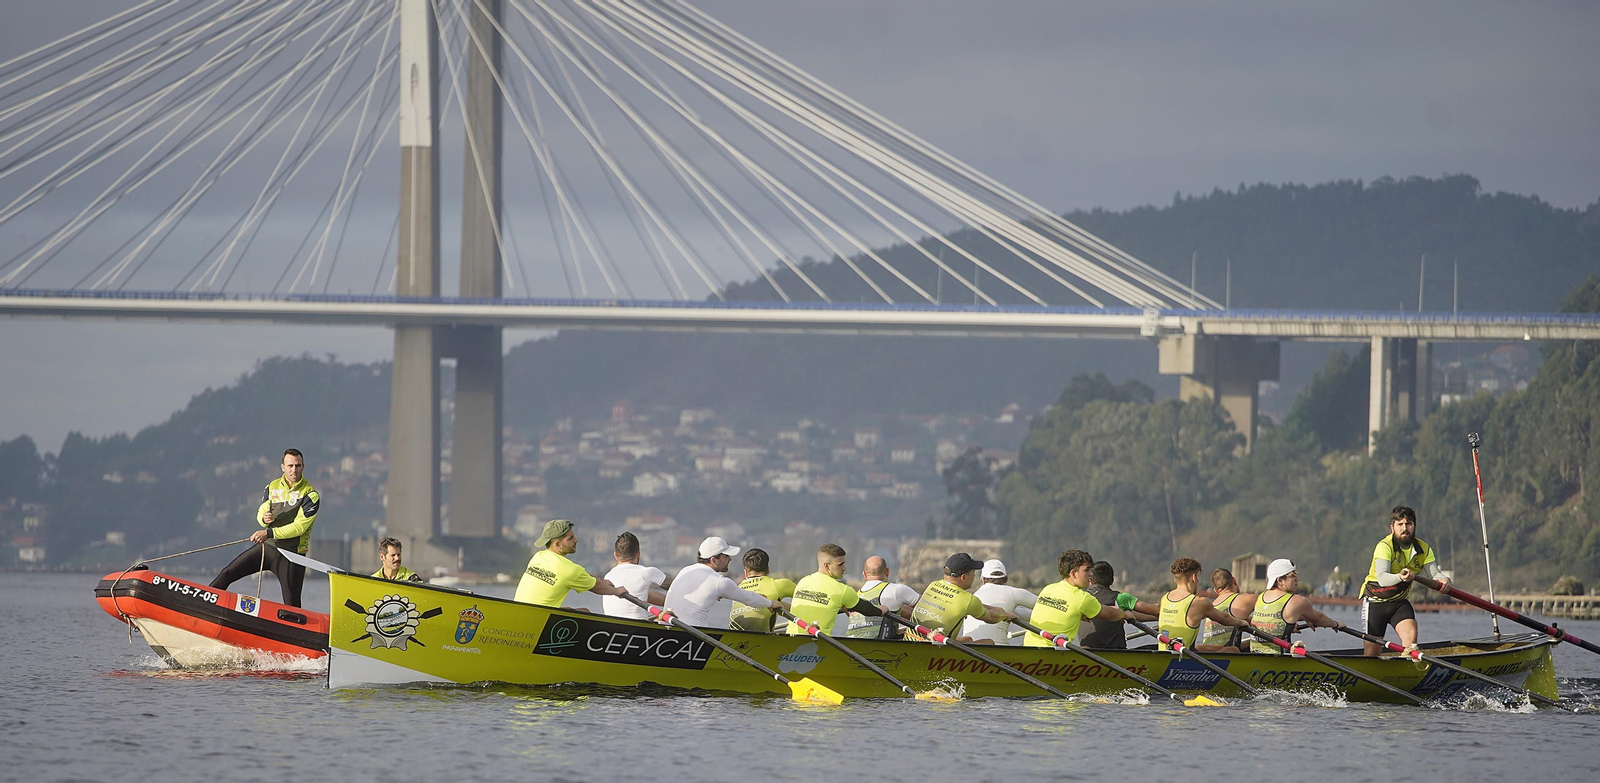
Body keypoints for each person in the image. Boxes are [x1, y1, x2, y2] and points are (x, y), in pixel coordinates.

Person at [210, 449, 319, 607]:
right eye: (290, 466)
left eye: (297, 465)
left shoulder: (310, 495)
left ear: (303, 467)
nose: (293, 470)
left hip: (291, 555)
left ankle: (295, 630)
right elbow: (261, 510)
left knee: (292, 603)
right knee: (227, 573)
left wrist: (267, 532)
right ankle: (204, 601)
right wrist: (264, 518)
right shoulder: (272, 487)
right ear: (282, 467)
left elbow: (299, 528)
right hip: (267, 548)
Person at [1359, 505, 1451, 655]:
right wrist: (1400, 577)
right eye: (1400, 524)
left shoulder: (1424, 549)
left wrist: (1445, 580)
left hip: (1399, 603)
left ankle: (1407, 671)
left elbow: (1435, 575)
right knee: (1371, 654)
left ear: (1414, 526)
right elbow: (1382, 578)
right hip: (1375, 602)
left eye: (1408, 524)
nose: (1404, 528)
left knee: (1411, 642)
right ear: (1392, 527)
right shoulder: (1384, 546)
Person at [1024, 550, 1142, 648]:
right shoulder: (1082, 598)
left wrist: (1079, 615)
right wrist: (1124, 614)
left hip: (1029, 647)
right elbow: (1110, 614)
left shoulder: (1048, 589)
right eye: (1087, 570)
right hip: (1052, 653)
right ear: (1073, 574)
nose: (1091, 574)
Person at [664, 536, 782, 628]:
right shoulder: (719, 582)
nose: (730, 559)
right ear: (713, 560)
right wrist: (771, 603)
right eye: (726, 556)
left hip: (666, 626)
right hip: (692, 634)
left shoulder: (685, 570)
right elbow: (749, 598)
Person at [514, 519, 628, 607]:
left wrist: (600, 580)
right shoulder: (570, 570)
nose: (576, 540)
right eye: (570, 538)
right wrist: (617, 591)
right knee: (585, 612)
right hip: (537, 620)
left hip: (521, 612)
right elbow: (597, 587)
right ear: (557, 544)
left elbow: (582, 576)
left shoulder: (537, 557)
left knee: (568, 610)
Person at [906, 553, 1015, 642]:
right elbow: (991, 618)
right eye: (973, 573)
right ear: (963, 577)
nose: (974, 576)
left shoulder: (933, 585)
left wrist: (996, 609)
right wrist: (1005, 615)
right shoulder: (968, 600)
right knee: (989, 642)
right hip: (936, 649)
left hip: (911, 640)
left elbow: (962, 604)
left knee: (968, 639)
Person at [788, 544, 888, 635]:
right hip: (818, 644)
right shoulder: (842, 590)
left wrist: (840, 604)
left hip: (789, 638)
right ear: (827, 566)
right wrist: (880, 611)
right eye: (840, 564)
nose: (844, 568)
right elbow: (867, 610)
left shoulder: (803, 581)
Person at [1159, 557, 1250, 652]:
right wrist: (1241, 622)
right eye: (1198, 577)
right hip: (1184, 658)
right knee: (1233, 650)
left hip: (1164, 653)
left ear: (1175, 579)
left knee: (1219, 648)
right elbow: (1225, 619)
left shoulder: (1165, 598)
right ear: (1193, 578)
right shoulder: (1198, 602)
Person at [1250, 558, 1342, 652]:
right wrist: (1336, 624)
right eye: (1293, 575)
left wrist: (1306, 618)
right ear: (1280, 580)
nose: (1297, 579)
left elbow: (1276, 616)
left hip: (1255, 654)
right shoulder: (1297, 601)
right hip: (1278, 659)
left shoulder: (1261, 597)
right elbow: (1319, 618)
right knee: (1328, 657)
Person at [1080, 561, 1156, 649]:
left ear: (1091, 581)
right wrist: (1163, 616)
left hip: (1085, 654)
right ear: (1112, 581)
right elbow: (1155, 610)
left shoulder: (1080, 598)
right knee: (1157, 648)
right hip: (1116, 654)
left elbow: (1132, 615)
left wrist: (1156, 617)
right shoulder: (1119, 598)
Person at [960, 559, 1037, 645]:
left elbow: (1013, 612)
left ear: (983, 580)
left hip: (968, 648)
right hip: (996, 648)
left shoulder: (974, 597)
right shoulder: (1013, 592)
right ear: (1006, 579)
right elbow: (1047, 607)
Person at [842, 555, 919, 639]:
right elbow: (927, 607)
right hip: (882, 647)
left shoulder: (856, 595)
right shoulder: (897, 589)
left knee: (898, 607)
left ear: (864, 574)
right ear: (887, 571)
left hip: (851, 645)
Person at [602, 532, 673, 621]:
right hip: (638, 624)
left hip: (612, 624)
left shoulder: (608, 576)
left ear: (615, 555)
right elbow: (678, 586)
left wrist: (672, 604)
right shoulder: (646, 572)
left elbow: (646, 595)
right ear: (638, 554)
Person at [729, 548, 795, 632]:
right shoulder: (779, 584)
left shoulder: (738, 588)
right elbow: (808, 594)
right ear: (768, 569)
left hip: (732, 639)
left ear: (745, 572)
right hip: (762, 641)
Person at [1198, 568, 1256, 651]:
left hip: (1208, 652)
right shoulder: (1248, 599)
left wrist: (1248, 620)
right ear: (1234, 580)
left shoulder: (1212, 605)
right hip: (1228, 652)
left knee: (1245, 644)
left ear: (1216, 591)